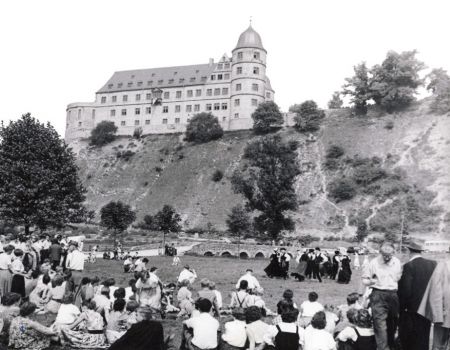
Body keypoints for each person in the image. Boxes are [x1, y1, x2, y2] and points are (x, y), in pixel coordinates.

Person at [361, 241, 401, 350]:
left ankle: (391, 345)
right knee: (380, 324)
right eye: (384, 255)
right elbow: (364, 279)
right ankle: (383, 348)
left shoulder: (397, 262)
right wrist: (371, 282)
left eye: (390, 255)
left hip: (393, 295)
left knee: (393, 322)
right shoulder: (373, 263)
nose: (387, 258)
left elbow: (398, 278)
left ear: (394, 253)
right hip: (378, 294)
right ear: (380, 252)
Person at [397, 240, 436, 350]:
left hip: (411, 310)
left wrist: (401, 308)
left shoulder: (409, 266)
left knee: (409, 340)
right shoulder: (433, 264)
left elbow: (406, 290)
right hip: (427, 308)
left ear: (409, 250)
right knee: (424, 338)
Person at [418, 255, 450, 350]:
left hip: (445, 312)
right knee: (439, 345)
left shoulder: (443, 266)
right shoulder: (443, 266)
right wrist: (437, 314)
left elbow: (435, 291)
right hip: (445, 312)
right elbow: (435, 291)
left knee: (439, 345)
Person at [108, 306, 173, 350]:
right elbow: (160, 342)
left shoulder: (136, 327)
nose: (136, 317)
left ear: (142, 316)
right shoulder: (158, 325)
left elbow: (123, 340)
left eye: (137, 315)